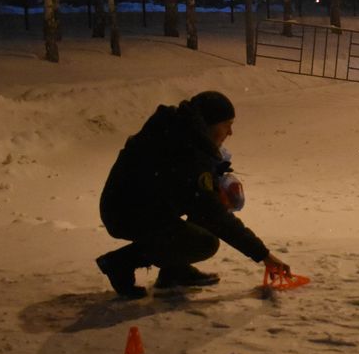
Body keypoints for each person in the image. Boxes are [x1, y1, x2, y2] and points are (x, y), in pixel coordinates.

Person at [95, 90, 287, 299]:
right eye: (227, 124)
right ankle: (120, 263)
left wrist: (213, 180)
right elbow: (213, 214)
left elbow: (187, 190)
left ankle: (174, 270)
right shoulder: (188, 149)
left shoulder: (179, 131)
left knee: (202, 214)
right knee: (204, 242)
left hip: (134, 205)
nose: (230, 132)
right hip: (126, 213)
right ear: (209, 124)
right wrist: (264, 255)